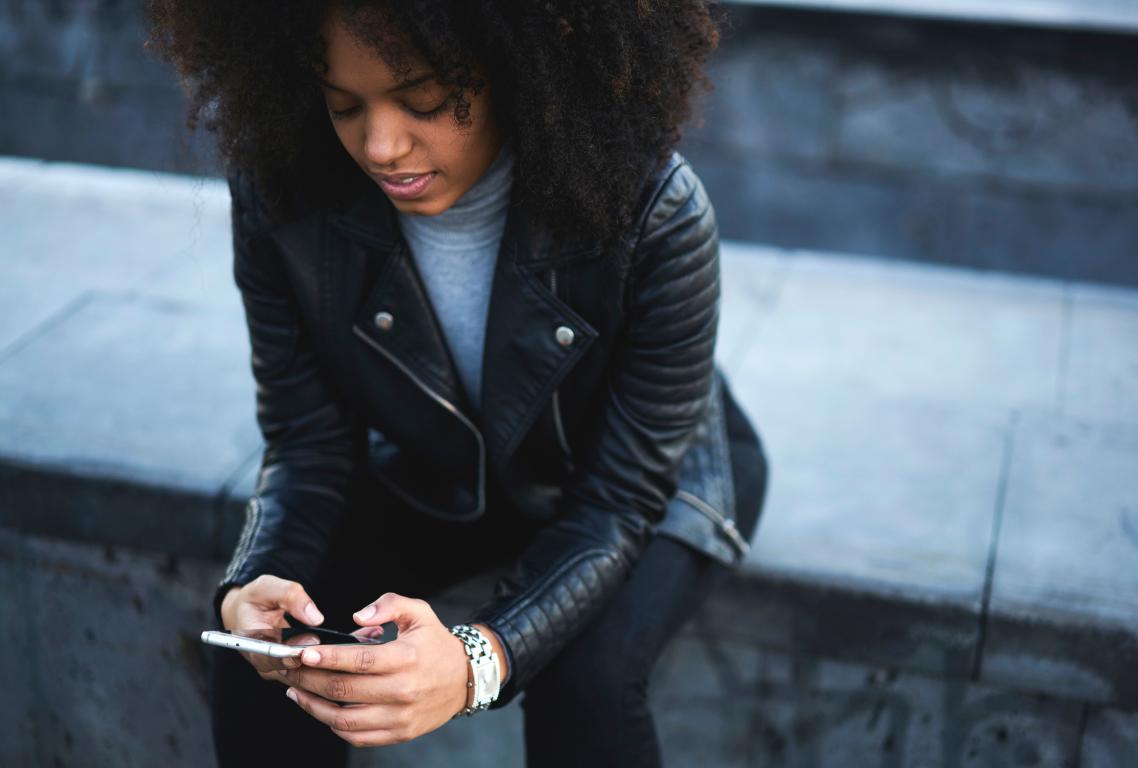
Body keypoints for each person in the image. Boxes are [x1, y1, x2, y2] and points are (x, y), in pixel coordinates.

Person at [149, 1, 768, 765]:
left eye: (426, 101)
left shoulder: (654, 211)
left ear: (520, 65)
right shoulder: (284, 190)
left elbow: (619, 500)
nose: (381, 145)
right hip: (451, 463)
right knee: (270, 655)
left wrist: (479, 659)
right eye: (343, 103)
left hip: (655, 481)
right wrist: (252, 585)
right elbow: (309, 443)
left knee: (587, 683)